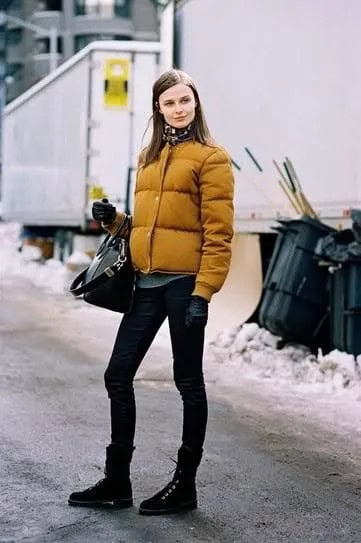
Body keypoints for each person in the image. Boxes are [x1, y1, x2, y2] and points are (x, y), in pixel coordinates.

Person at [68, 68, 234, 515]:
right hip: (145, 284)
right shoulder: (148, 157)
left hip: (183, 288)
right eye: (169, 103)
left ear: (195, 104)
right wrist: (115, 222)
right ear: (158, 110)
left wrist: (203, 293)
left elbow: (219, 235)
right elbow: (149, 227)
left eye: (185, 101)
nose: (178, 109)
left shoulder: (212, 159)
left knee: (188, 382)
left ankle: (185, 484)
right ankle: (117, 481)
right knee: (117, 375)